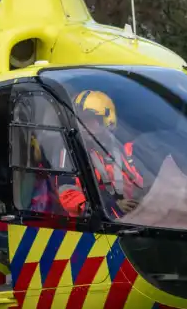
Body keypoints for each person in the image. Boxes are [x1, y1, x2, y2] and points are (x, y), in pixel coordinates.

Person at [32, 89, 146, 220]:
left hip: (132, 219)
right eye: (79, 120)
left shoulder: (122, 149)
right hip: (96, 224)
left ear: (108, 121)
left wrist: (142, 201)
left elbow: (141, 183)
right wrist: (111, 205)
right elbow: (69, 195)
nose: (82, 126)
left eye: (90, 120)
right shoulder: (71, 151)